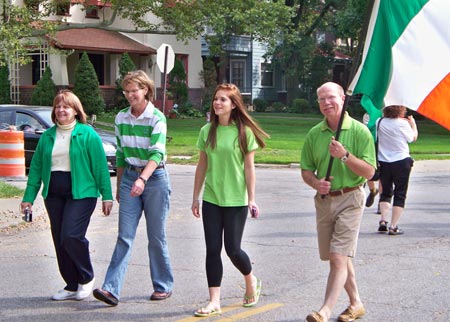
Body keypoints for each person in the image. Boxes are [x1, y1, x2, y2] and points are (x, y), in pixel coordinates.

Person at [20, 89, 113, 301]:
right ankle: (71, 284)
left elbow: (100, 167)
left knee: (71, 236)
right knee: (59, 240)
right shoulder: (48, 136)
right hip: (53, 194)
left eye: (66, 106)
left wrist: (106, 195)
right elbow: (35, 169)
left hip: (82, 194)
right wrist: (28, 198)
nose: (61, 110)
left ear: (75, 110)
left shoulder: (87, 134)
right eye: (58, 106)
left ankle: (86, 277)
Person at [93, 70, 173, 306]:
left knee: (156, 237)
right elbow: (120, 154)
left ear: (145, 90)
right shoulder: (121, 118)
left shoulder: (156, 118)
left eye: (134, 91)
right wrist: (120, 184)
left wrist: (143, 179)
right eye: (126, 91)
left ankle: (163, 285)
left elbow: (157, 153)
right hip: (129, 177)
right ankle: (111, 289)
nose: (129, 95)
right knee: (124, 236)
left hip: (155, 179)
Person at [191, 83, 269, 317]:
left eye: (223, 100)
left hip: (236, 200)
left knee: (233, 249)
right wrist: (196, 197)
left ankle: (250, 280)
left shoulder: (243, 131)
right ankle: (214, 301)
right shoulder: (207, 131)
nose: (217, 103)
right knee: (212, 250)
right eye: (216, 99)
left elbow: (249, 167)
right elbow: (202, 165)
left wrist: (252, 199)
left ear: (234, 105)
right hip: (212, 198)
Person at [300, 82, 376, 322]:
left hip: (351, 198)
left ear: (343, 98)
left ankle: (324, 311)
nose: (326, 103)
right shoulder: (315, 133)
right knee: (338, 257)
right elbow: (306, 170)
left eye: (331, 98)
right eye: (321, 99)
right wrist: (316, 183)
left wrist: (344, 155)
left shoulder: (359, 131)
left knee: (337, 256)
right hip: (324, 201)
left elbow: (369, 172)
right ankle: (356, 304)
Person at [377, 105, 418, 235]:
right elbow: (412, 138)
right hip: (401, 160)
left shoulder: (380, 121)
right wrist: (413, 125)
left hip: (383, 161)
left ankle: (383, 220)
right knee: (400, 193)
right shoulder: (402, 124)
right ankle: (393, 226)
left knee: (386, 192)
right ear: (401, 110)